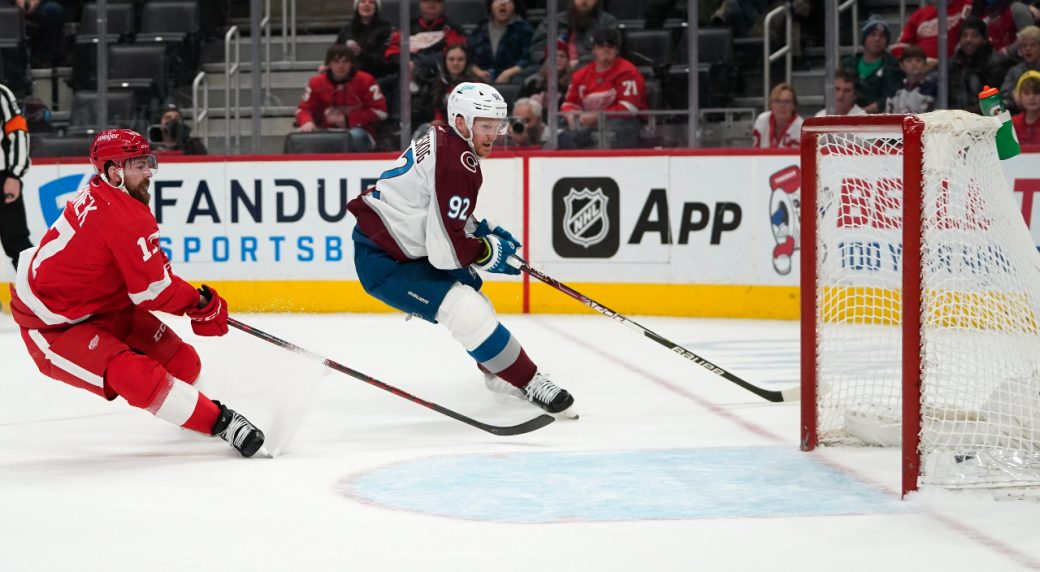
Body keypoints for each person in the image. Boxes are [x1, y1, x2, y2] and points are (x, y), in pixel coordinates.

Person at [7, 129, 265, 457]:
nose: (149, 173)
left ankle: (192, 412)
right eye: (139, 166)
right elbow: (152, 292)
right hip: (53, 325)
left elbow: (147, 274)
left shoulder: (109, 193)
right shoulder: (122, 216)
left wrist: (193, 300)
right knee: (134, 374)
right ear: (114, 171)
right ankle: (221, 422)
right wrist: (199, 303)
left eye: (148, 163)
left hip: (103, 305)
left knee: (183, 363)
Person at [346, 83, 576, 417]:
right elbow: (445, 251)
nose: (493, 134)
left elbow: (433, 207)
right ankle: (528, 381)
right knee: (466, 310)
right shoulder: (458, 162)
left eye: (497, 125)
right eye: (485, 125)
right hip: (386, 261)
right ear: (461, 122)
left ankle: (500, 373)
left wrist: (479, 229)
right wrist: (487, 252)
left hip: (401, 246)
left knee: (475, 298)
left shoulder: (444, 138)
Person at [560, 28, 647, 149]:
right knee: (563, 134)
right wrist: (572, 115)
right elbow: (569, 103)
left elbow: (629, 108)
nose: (606, 49)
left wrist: (597, 116)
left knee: (617, 127)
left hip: (623, 125)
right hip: (589, 125)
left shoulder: (628, 71)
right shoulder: (580, 75)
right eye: (601, 45)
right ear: (594, 49)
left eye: (610, 46)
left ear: (616, 50)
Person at [296, 44, 388, 152]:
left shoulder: (366, 80)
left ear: (352, 63)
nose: (341, 66)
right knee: (303, 138)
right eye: (336, 62)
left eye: (345, 61)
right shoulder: (316, 82)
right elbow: (302, 109)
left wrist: (348, 119)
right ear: (328, 64)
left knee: (355, 136)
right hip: (325, 130)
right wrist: (307, 121)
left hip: (359, 130)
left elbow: (381, 112)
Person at [383, 0, 467, 95]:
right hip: (405, 77)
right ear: (420, 3)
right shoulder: (407, 26)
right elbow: (391, 51)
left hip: (439, 80)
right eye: (427, 0)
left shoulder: (453, 28)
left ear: (443, 4)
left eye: (437, 1)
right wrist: (404, 62)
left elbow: (455, 54)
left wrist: (417, 62)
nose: (431, 4)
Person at [0, 82, 32, 277]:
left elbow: (18, 131)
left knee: (16, 242)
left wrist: (14, 175)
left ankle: (38, 291)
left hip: (2, 178)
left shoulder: (1, 93)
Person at [842, 15, 904, 113]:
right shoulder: (849, 63)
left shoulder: (892, 65)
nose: (877, 39)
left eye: (882, 36)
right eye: (873, 34)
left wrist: (861, 113)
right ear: (864, 38)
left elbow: (890, 97)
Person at [530, 0, 618, 70]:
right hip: (554, 69)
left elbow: (608, 52)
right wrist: (554, 60)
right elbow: (537, 48)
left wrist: (578, 62)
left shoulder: (607, 22)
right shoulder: (552, 21)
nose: (584, 1)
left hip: (591, 69)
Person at [949, 16, 1009, 113]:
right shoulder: (954, 62)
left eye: (974, 36)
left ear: (984, 39)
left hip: (984, 116)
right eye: (964, 36)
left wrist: (965, 113)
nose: (968, 40)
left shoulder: (995, 62)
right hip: (956, 116)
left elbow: (996, 102)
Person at [891, 0, 972, 66]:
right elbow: (900, 46)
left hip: (954, 66)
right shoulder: (919, 15)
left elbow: (974, 38)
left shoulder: (967, 6)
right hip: (919, 68)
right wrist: (911, 63)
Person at [335, 0, 394, 79]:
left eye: (371, 2)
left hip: (374, 77)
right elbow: (335, 53)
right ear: (357, 6)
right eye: (363, 1)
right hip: (347, 77)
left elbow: (384, 63)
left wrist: (361, 54)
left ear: (376, 7)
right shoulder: (347, 29)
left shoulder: (385, 29)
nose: (367, 5)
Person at [886, 45, 938, 113]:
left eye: (918, 60)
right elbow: (889, 112)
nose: (914, 63)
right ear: (902, 66)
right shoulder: (895, 87)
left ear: (925, 65)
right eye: (909, 61)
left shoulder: (933, 87)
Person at [751, 83, 802, 149]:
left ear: (794, 106)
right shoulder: (762, 120)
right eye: (777, 101)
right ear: (771, 104)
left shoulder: (801, 128)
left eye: (787, 101)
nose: (782, 105)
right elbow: (755, 151)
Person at [1001, 25, 1040, 111]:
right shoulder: (1014, 71)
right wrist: (1014, 95)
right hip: (1020, 111)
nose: (1028, 48)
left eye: (1032, 45)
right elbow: (1004, 93)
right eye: (1024, 45)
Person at [1012, 70, 1040, 144]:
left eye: (1037, 92)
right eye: (1027, 93)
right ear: (1019, 96)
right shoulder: (1013, 122)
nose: (1031, 97)